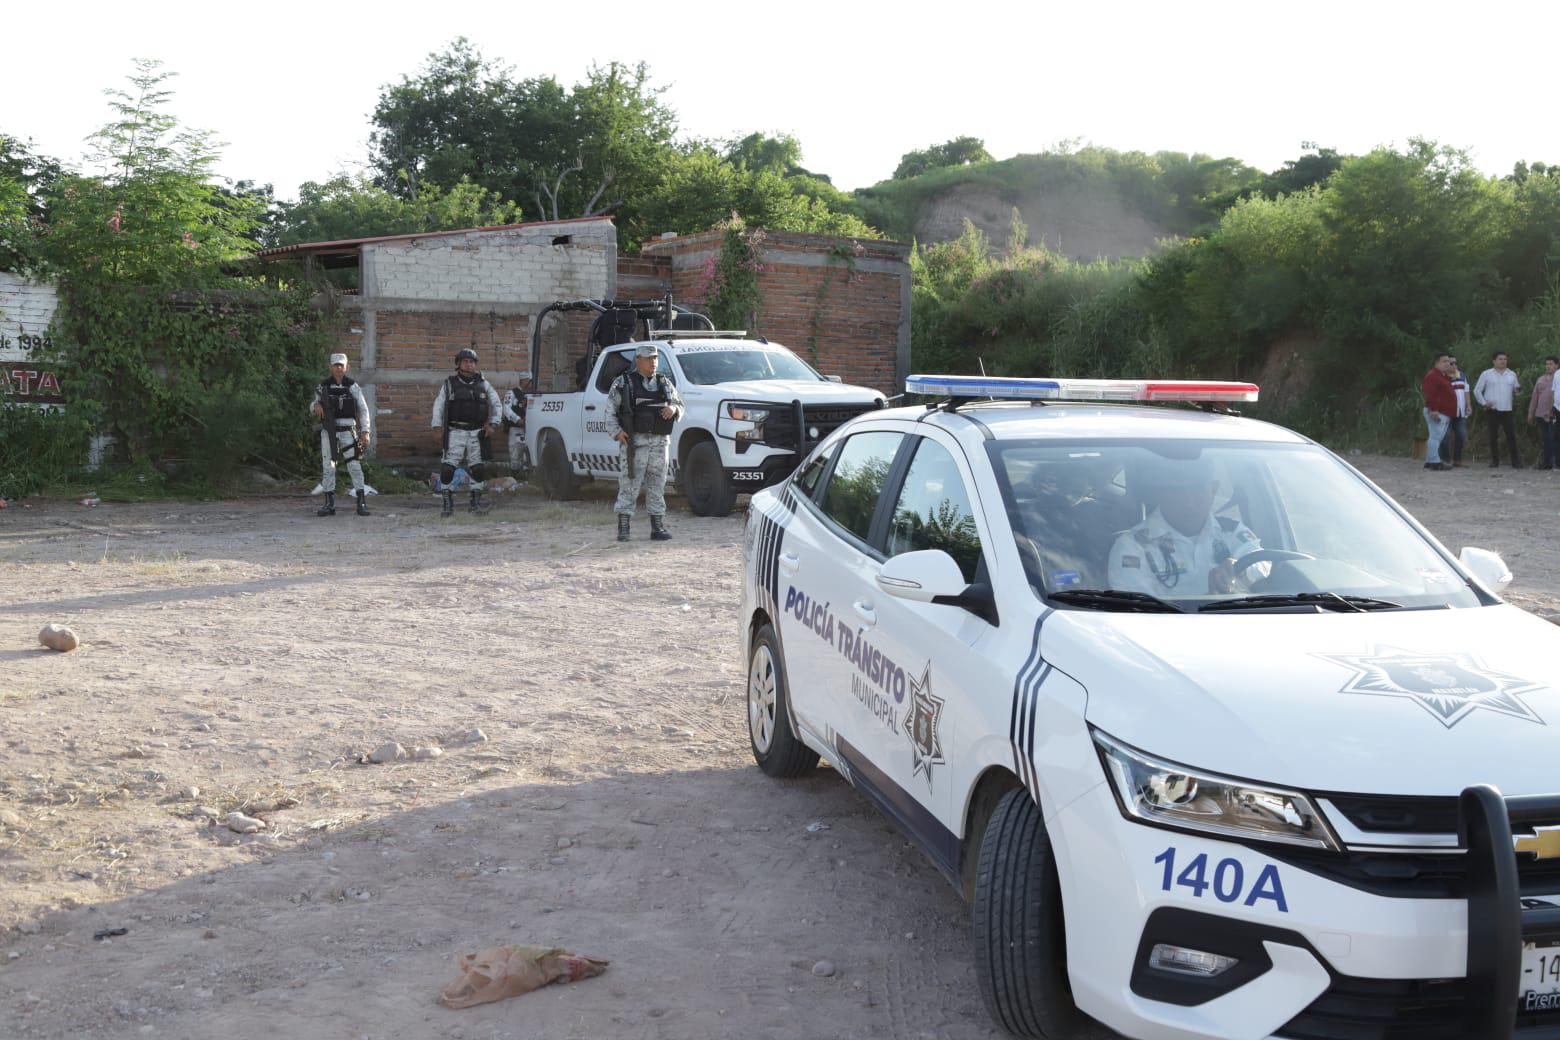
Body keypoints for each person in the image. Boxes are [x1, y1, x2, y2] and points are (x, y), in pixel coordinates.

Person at [1106, 457, 1268, 596]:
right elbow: (1139, 611)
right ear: (1161, 492)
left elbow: (1263, 561)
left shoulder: (1231, 532)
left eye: (1198, 489)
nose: (1189, 503)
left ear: (1213, 489)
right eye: (1178, 491)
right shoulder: (1132, 548)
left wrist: (1240, 570)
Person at [606, 343, 684, 542]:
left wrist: (673, 410)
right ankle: (624, 527)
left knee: (658, 486)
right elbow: (610, 412)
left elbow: (679, 404)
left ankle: (657, 527)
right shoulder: (623, 383)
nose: (653, 362)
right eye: (649, 359)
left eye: (656, 358)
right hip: (635, 444)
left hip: (659, 444)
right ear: (638, 360)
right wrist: (617, 433)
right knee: (629, 485)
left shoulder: (664, 382)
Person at [431, 348, 503, 517]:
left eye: (472, 362)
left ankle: (475, 504)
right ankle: (447, 506)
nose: (469, 364)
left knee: (477, 469)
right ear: (458, 364)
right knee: (448, 469)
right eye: (465, 361)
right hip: (455, 431)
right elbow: (438, 405)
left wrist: (493, 423)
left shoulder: (483, 384)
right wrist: (436, 427)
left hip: (477, 433)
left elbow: (497, 404)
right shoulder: (450, 384)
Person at [310, 353, 371, 517]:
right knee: (328, 466)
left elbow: (363, 410)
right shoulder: (323, 386)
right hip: (328, 431)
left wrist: (365, 431)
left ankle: (361, 501)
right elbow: (313, 404)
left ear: (347, 367)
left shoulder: (353, 386)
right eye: (335, 365)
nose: (338, 368)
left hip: (348, 431)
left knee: (354, 466)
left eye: (341, 365)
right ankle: (329, 504)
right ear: (330, 367)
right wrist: (315, 406)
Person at [1474, 350, 1523, 468]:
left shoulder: (1511, 374)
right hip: (1492, 410)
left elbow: (1517, 390)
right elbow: (1477, 390)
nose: (1503, 361)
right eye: (1500, 359)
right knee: (1493, 436)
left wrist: (1519, 391)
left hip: (1507, 409)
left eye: (1505, 359)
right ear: (1494, 361)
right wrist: (1484, 403)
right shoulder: (1486, 374)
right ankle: (1495, 461)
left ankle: (1515, 462)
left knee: (1511, 435)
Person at [1421, 353, 1456, 472]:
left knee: (1436, 438)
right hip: (1437, 411)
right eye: (1444, 361)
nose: (1448, 363)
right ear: (1436, 363)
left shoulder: (1442, 376)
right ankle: (1435, 462)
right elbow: (1431, 394)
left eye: (1448, 361)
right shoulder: (1433, 376)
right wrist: (1434, 410)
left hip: (1444, 411)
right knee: (1435, 438)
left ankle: (1429, 462)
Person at [501, 371, 533, 480]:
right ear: (524, 381)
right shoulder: (512, 393)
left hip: (530, 429)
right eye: (530, 381)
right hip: (516, 428)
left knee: (528, 452)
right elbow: (506, 409)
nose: (531, 384)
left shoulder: (532, 394)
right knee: (516, 451)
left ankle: (527, 477)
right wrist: (517, 419)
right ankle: (515, 477)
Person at [1529, 355, 1558, 470]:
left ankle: (1555, 463)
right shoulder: (1540, 379)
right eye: (1547, 364)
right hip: (1540, 414)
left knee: (1554, 438)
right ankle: (1547, 463)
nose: (1548, 366)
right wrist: (1531, 413)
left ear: (1557, 365)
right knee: (1546, 439)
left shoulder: (1558, 378)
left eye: (1551, 364)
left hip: (1554, 414)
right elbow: (1534, 397)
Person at [1448, 355, 1471, 467]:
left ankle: (1457, 459)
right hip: (1447, 411)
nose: (1454, 365)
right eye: (1451, 363)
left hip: (1461, 411)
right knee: (1445, 436)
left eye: (1455, 363)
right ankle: (1444, 459)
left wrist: (1468, 405)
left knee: (1461, 434)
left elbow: (1466, 390)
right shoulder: (1443, 376)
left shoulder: (1462, 375)